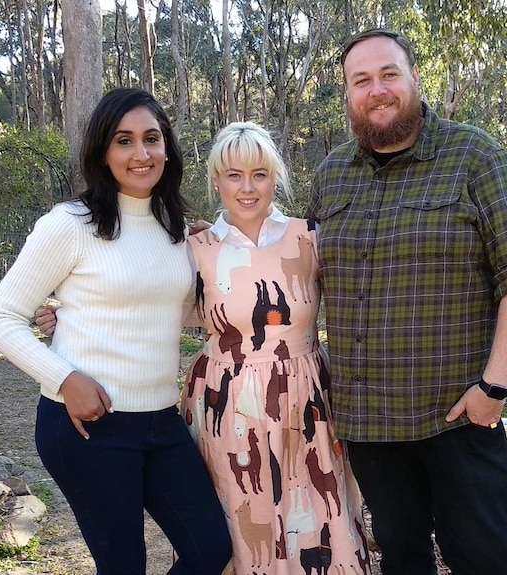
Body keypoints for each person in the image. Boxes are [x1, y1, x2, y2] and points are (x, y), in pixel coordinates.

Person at [39, 122, 372, 575]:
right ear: (216, 180)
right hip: (226, 406)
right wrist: (70, 316)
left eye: (259, 174)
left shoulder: (308, 237)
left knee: (314, 520)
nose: (248, 187)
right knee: (235, 528)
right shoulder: (193, 246)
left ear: (276, 177)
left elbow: (357, 303)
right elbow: (146, 308)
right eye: (234, 175)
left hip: (306, 403)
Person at [306, 29, 507, 575]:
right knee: (401, 560)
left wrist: (494, 388)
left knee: (480, 560)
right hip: (370, 427)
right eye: (361, 80)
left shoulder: (476, 157)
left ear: (415, 78)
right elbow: (288, 264)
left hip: (458, 418)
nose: (377, 90)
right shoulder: (330, 178)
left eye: (389, 74)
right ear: (347, 93)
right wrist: (213, 241)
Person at [0, 87, 232, 575]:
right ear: (103, 150)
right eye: (124, 140)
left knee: (210, 549)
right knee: (123, 566)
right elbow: (0, 315)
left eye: (152, 139)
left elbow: (167, 314)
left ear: (167, 148)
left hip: (161, 421)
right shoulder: (70, 224)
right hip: (87, 426)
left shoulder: (176, 227)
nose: (141, 154)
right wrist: (63, 378)